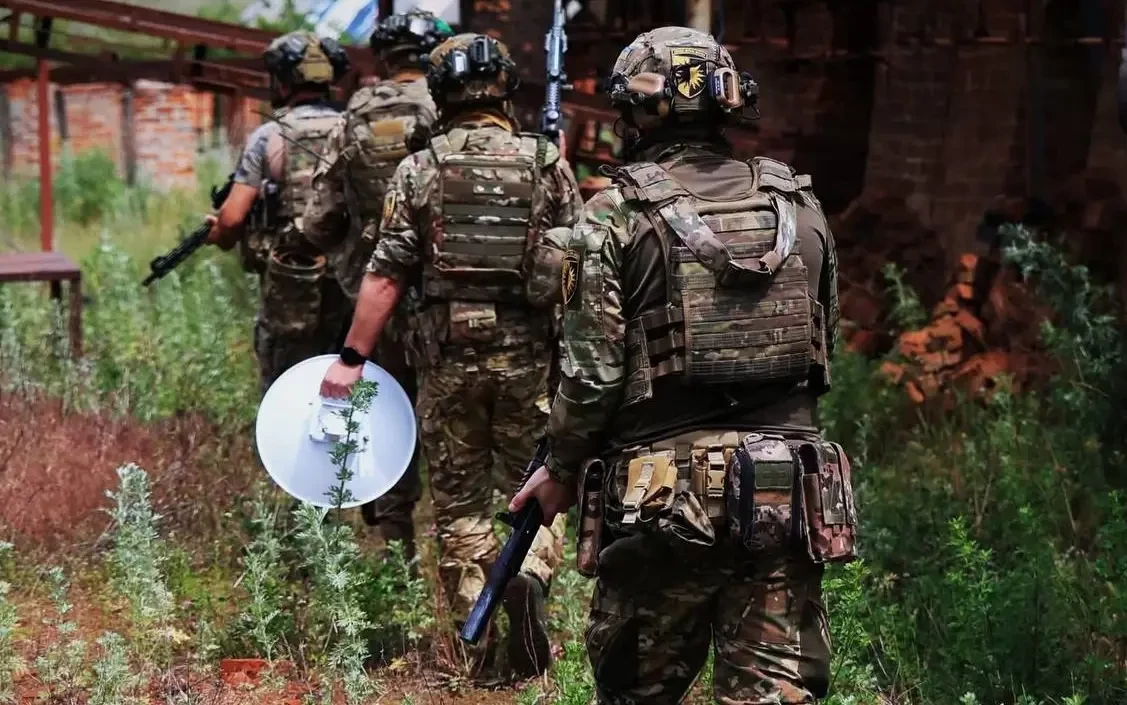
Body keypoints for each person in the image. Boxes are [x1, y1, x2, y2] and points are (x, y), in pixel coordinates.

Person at [509, 27, 858, 704]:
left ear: (635, 112)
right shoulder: (800, 207)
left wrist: (561, 466)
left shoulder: (613, 216)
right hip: (786, 493)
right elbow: (822, 348)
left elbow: (592, 376)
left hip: (663, 502)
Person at [318, 32, 583, 677]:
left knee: (461, 506)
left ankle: (484, 650)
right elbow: (581, 263)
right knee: (533, 484)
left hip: (447, 359)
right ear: (506, 90)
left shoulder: (420, 168)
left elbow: (385, 274)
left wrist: (351, 358)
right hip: (530, 359)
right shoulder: (546, 161)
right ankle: (530, 572)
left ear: (440, 94)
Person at [302, 10, 454, 561]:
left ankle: (396, 546)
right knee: (454, 418)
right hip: (444, 294)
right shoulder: (447, 110)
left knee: (388, 411)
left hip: (376, 297)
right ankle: (466, 544)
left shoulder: (355, 115)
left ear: (385, 58)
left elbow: (321, 219)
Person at [207, 31, 350, 392]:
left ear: (283, 82)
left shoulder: (270, 136)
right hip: (353, 279)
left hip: (292, 281)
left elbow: (232, 218)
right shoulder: (354, 128)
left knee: (287, 383)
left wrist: (218, 233)